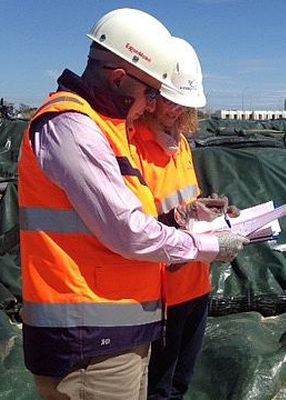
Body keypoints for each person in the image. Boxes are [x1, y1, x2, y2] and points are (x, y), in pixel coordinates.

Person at [18, 8, 248, 400]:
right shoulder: (72, 127)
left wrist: (183, 214)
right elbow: (127, 231)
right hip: (87, 339)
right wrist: (209, 246)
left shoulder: (101, 128)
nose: (151, 105)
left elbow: (124, 218)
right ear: (119, 78)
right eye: (151, 93)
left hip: (115, 332)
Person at [129, 37, 235, 399]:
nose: (176, 110)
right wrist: (184, 213)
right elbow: (132, 226)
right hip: (160, 292)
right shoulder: (133, 144)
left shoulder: (182, 145)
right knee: (158, 387)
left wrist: (212, 212)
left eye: (183, 104)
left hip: (195, 282)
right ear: (150, 96)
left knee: (180, 382)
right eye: (169, 100)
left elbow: (186, 201)